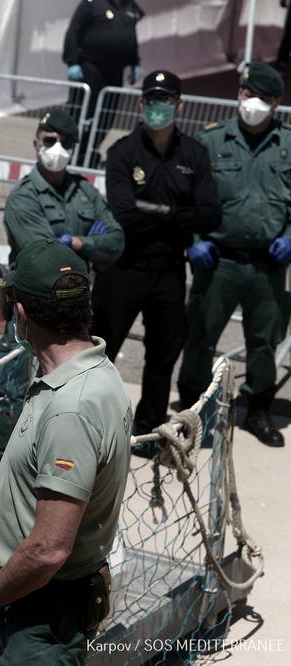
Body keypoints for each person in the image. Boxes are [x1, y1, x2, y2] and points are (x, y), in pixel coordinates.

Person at [0, 238, 132, 664]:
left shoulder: (71, 408)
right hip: (42, 602)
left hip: (41, 613)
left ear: (20, 315)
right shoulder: (92, 369)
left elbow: (48, 549)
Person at [0, 110, 124, 477]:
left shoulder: (85, 191)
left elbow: (116, 241)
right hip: (30, 310)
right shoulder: (24, 198)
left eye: (64, 143)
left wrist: (77, 241)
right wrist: (90, 245)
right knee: (9, 392)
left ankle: (47, 460)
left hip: (74, 312)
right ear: (36, 143)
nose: (56, 149)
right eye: (49, 140)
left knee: (69, 389)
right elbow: (43, 259)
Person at [93, 70, 222, 456]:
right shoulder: (122, 152)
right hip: (123, 268)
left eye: (165, 100)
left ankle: (147, 428)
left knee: (162, 356)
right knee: (100, 351)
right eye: (151, 99)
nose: (157, 107)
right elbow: (123, 213)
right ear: (140, 103)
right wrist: (178, 214)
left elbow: (211, 215)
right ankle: (89, 424)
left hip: (168, 270)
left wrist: (156, 212)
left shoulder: (194, 155)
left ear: (179, 105)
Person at [177, 62, 291, 448]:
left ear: (276, 103)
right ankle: (193, 409)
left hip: (268, 264)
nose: (253, 104)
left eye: (264, 99)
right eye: (248, 94)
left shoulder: (288, 144)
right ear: (239, 93)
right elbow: (184, 198)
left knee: (264, 341)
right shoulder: (209, 142)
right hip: (218, 260)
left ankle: (258, 409)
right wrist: (194, 239)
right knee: (200, 336)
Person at [63, 0, 144, 168]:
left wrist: (134, 62)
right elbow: (73, 31)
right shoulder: (91, 4)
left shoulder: (129, 7)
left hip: (115, 72)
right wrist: (72, 61)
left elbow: (131, 35)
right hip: (91, 68)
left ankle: (89, 151)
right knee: (82, 113)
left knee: (106, 115)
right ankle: (71, 152)